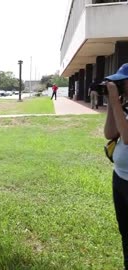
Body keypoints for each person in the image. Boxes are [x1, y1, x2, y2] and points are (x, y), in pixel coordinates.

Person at [104, 63, 128, 269]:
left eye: (122, 82)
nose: (117, 85)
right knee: (125, 232)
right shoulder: (125, 106)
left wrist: (115, 102)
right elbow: (111, 133)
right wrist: (113, 106)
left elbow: (127, 137)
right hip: (120, 178)